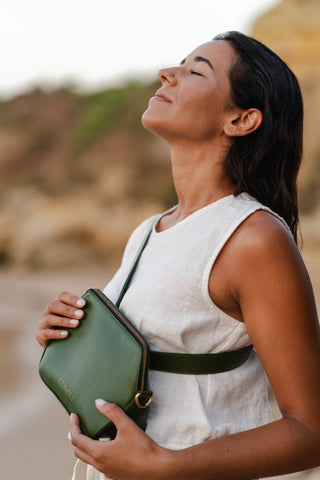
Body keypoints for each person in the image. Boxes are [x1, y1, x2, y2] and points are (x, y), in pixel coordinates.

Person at [36, 31, 320, 479]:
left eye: (195, 70)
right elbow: (150, 358)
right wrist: (71, 336)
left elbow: (310, 429)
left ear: (241, 120)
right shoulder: (150, 230)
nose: (166, 73)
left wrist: (165, 466)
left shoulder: (252, 237)